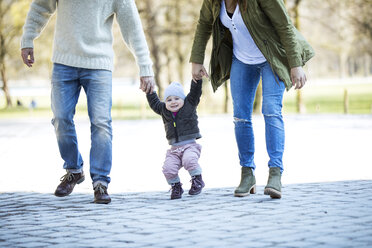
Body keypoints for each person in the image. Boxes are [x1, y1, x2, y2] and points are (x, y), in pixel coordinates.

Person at [20, 0, 155, 204]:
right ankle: (73, 169)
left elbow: (133, 28)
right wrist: (28, 38)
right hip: (64, 62)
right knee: (61, 118)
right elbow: (40, 7)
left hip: (99, 65)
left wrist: (145, 67)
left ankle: (100, 182)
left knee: (101, 124)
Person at [190, 0, 314, 199]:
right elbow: (204, 25)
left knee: (271, 110)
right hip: (242, 59)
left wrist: (295, 64)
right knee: (240, 116)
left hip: (272, 56)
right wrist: (196, 60)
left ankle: (275, 173)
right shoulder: (213, 2)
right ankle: (247, 174)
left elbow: (284, 25)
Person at [146, 80, 205, 200]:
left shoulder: (189, 104)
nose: (173, 102)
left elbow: (195, 92)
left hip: (190, 146)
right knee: (168, 168)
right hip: (174, 149)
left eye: (176, 98)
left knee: (189, 160)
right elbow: (154, 103)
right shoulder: (164, 110)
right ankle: (176, 186)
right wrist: (150, 91)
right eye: (169, 100)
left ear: (183, 99)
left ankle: (197, 181)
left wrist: (197, 80)